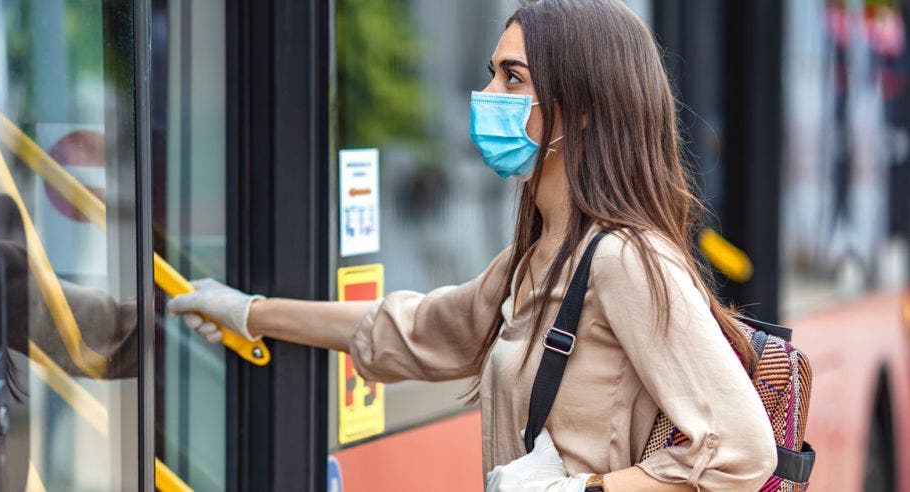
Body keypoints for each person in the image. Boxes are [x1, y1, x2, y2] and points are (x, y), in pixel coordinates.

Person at [167, 0, 777, 490]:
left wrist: (583, 490)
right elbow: (417, 329)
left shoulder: (624, 259)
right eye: (493, 72)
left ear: (584, 109)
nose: (488, 95)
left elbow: (742, 451)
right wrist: (248, 312)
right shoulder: (539, 255)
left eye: (514, 78)